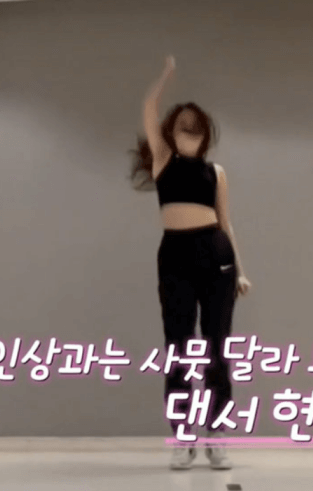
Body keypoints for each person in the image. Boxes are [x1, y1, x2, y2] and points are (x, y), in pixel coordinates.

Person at [130, 55, 252, 471]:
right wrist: (165, 76)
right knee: (179, 349)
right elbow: (148, 107)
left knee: (217, 349)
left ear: (205, 136)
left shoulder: (216, 172)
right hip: (176, 256)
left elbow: (226, 222)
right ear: (172, 131)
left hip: (216, 255)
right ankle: (183, 437)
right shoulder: (163, 161)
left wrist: (241, 270)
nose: (190, 134)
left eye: (196, 129)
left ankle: (216, 435)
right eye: (183, 127)